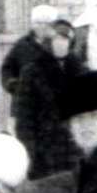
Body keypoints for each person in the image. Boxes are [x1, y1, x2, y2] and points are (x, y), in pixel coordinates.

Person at [14, 20, 84, 180]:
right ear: (48, 42)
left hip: (74, 146)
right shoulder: (32, 71)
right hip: (45, 147)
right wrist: (30, 151)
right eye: (57, 39)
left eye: (65, 39)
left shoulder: (81, 70)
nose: (61, 44)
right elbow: (24, 116)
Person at [0, 4, 58, 97]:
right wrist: (14, 85)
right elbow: (8, 68)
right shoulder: (22, 45)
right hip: (25, 100)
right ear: (32, 24)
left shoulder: (58, 45)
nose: (42, 26)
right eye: (38, 23)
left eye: (47, 23)